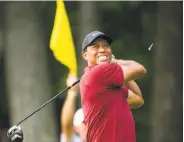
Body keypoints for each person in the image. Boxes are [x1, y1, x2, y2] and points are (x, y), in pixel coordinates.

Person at [79, 31, 146, 142]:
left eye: (106, 45)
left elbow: (138, 100)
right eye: (95, 47)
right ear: (85, 55)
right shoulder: (99, 73)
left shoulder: (109, 84)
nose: (102, 50)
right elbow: (140, 69)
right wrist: (116, 61)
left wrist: (121, 73)